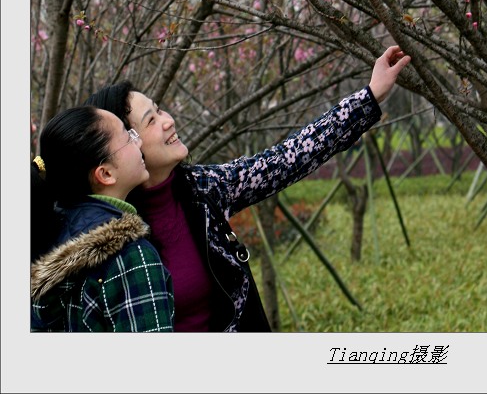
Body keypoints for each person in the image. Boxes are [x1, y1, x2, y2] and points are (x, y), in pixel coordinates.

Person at [86, 44, 411, 332]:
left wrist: (370, 95)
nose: (168, 120)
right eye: (151, 121)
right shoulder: (101, 236)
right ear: (124, 146)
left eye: (159, 110)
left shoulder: (203, 190)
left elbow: (289, 159)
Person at [30, 105, 175, 332]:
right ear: (106, 174)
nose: (138, 142)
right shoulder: (132, 257)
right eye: (128, 137)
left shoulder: (46, 235)